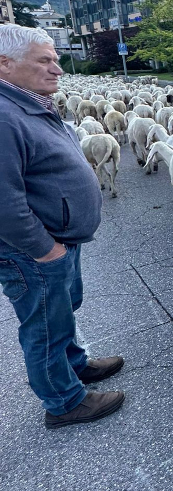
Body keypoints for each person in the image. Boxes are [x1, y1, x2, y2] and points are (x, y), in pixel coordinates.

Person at [0, 25, 125, 429]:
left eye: (56, 59)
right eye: (44, 60)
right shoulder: (2, 116)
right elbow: (3, 198)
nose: (57, 69)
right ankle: (64, 400)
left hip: (57, 240)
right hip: (33, 250)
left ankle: (75, 366)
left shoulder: (24, 103)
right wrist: (44, 248)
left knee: (61, 312)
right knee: (45, 324)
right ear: (5, 63)